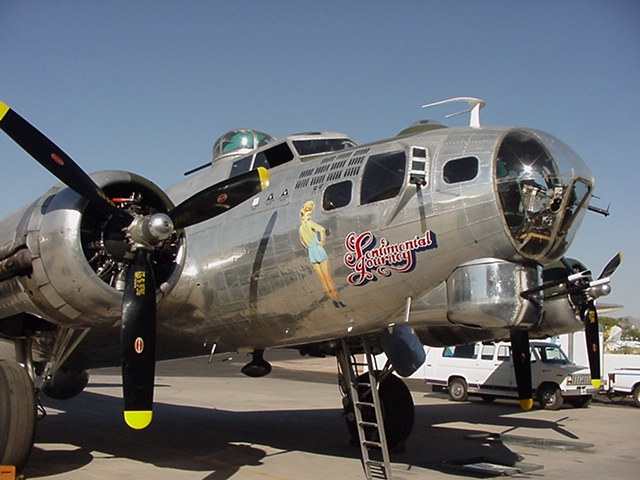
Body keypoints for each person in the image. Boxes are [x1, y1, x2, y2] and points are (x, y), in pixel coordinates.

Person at [299, 201, 345, 308]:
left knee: (323, 280)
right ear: (303, 216)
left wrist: (309, 246)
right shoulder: (310, 224)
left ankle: (333, 300)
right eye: (308, 215)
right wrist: (322, 242)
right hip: (319, 250)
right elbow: (322, 229)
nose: (309, 217)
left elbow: (302, 241)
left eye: (310, 215)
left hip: (312, 253)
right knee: (328, 278)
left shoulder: (301, 229)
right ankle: (338, 300)